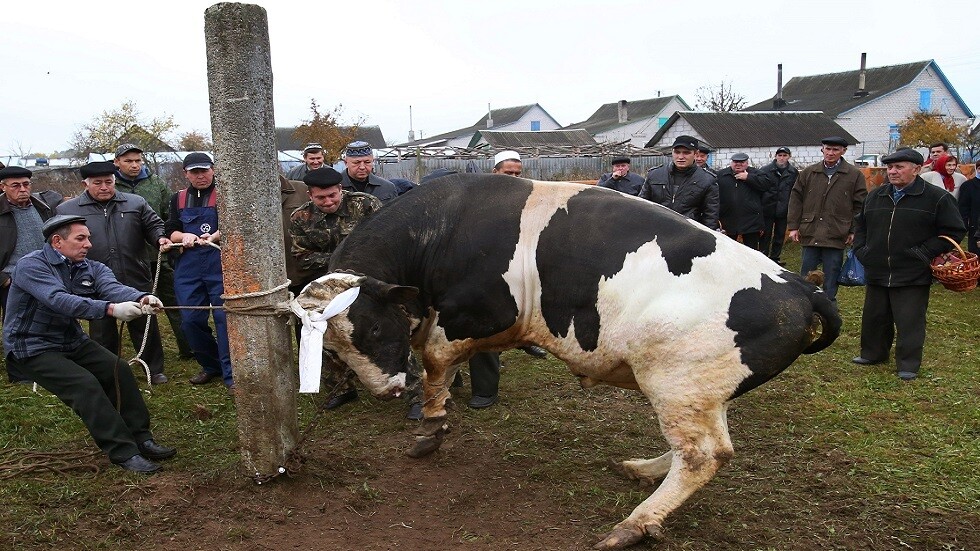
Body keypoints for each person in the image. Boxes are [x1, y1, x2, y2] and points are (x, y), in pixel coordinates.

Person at [2, 214, 176, 473]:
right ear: (57, 241)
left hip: (71, 340)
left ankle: (142, 438)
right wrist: (111, 309)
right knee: (85, 385)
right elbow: (58, 299)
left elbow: (113, 288)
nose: (88, 245)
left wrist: (143, 297)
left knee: (119, 370)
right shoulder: (31, 266)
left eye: (88, 239)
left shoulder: (90, 267)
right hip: (31, 346)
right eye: (80, 238)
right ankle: (123, 452)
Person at [851, 149, 965, 380]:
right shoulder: (876, 196)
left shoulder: (936, 198)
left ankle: (908, 364)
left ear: (916, 169)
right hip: (878, 267)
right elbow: (860, 225)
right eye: (890, 168)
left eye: (899, 167)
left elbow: (953, 232)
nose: (892, 172)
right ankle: (873, 353)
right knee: (875, 316)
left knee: (909, 319)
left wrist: (922, 253)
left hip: (912, 271)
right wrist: (862, 250)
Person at [57, 161, 171, 384]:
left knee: (144, 320)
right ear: (85, 184)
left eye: (108, 182)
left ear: (115, 181)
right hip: (90, 278)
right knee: (101, 327)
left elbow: (153, 225)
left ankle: (154, 368)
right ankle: (107, 369)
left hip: (133, 272)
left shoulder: (135, 203)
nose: (104, 187)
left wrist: (160, 238)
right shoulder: (67, 210)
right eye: (97, 183)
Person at [289, 167, 385, 410]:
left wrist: (351, 267)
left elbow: (387, 245)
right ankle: (341, 388)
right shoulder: (301, 218)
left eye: (333, 195)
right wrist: (339, 264)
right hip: (327, 286)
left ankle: (403, 383)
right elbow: (301, 256)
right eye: (321, 198)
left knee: (386, 328)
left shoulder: (367, 206)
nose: (328, 202)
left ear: (341, 189)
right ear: (310, 195)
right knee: (318, 332)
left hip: (368, 282)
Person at [113, 144, 193, 360]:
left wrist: (171, 241)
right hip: (129, 259)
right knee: (140, 306)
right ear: (117, 162)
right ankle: (147, 353)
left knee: (175, 301)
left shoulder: (156, 183)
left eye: (138, 160)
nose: (134, 165)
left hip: (160, 255)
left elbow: (170, 215)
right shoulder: (112, 187)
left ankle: (189, 347)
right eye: (128, 161)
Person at [165, 152, 234, 393]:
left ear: (213, 170)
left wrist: (215, 236)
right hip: (189, 267)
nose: (200, 175)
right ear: (186, 174)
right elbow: (171, 229)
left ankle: (231, 373)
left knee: (225, 319)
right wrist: (183, 236)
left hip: (220, 263)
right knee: (190, 320)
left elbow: (235, 224)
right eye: (194, 172)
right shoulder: (178, 198)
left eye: (204, 170)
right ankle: (210, 364)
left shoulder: (225, 194)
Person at [1, 166, 62, 383]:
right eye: (16, 185)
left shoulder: (43, 207)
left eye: (26, 184)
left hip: (46, 274)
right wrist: (3, 278)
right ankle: (19, 374)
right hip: (12, 279)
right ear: (3, 187)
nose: (23, 189)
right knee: (16, 326)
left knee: (51, 320)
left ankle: (51, 366)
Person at [787, 136, 867, 302]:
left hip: (837, 232)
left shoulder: (854, 175)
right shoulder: (809, 172)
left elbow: (860, 205)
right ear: (822, 149)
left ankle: (828, 306)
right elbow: (796, 199)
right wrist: (794, 227)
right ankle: (806, 304)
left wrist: (853, 230)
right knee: (807, 274)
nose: (830, 153)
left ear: (843, 151)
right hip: (810, 232)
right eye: (827, 149)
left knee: (832, 274)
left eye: (835, 149)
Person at [638, 135, 720, 230]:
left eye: (686, 153)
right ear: (672, 152)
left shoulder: (707, 179)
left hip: (689, 233)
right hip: (657, 230)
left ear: (696, 154)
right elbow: (641, 205)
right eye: (677, 152)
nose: (681, 157)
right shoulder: (655, 174)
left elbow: (710, 215)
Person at [715, 153, 770, 250]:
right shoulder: (721, 175)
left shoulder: (757, 173)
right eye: (736, 162)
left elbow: (766, 186)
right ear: (731, 163)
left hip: (751, 221)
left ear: (747, 163)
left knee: (751, 250)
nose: (738, 164)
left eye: (742, 162)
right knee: (727, 250)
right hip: (727, 220)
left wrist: (749, 178)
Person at [758, 147, 799, 264]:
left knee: (780, 235)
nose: (782, 158)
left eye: (784, 156)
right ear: (775, 156)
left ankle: (775, 258)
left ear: (789, 157)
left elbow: (795, 191)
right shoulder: (765, 170)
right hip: (767, 208)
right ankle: (763, 257)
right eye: (780, 155)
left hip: (784, 209)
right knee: (765, 235)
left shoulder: (793, 172)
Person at [959, 168, 980, 255]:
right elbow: (963, 208)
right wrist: (964, 226)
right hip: (975, 228)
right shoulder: (968, 186)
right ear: (977, 169)